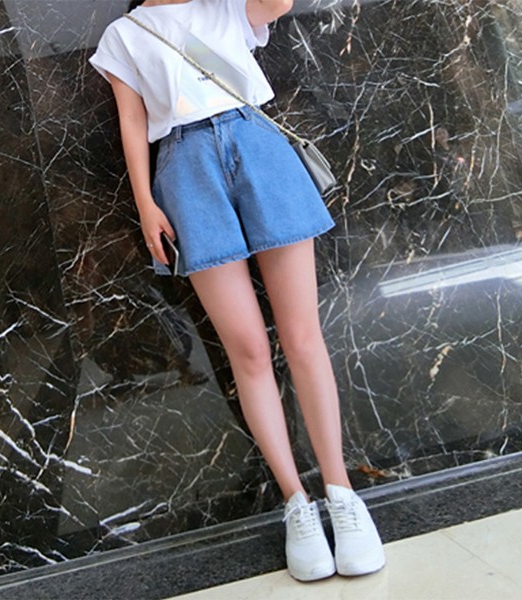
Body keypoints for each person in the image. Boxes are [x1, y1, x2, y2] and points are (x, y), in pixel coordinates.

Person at [90, 0, 385, 581]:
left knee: (302, 337)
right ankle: (296, 503)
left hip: (258, 146)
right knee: (247, 350)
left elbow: (279, 4)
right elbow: (131, 119)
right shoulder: (125, 34)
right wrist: (145, 203)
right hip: (184, 167)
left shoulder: (224, 6)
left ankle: (342, 494)